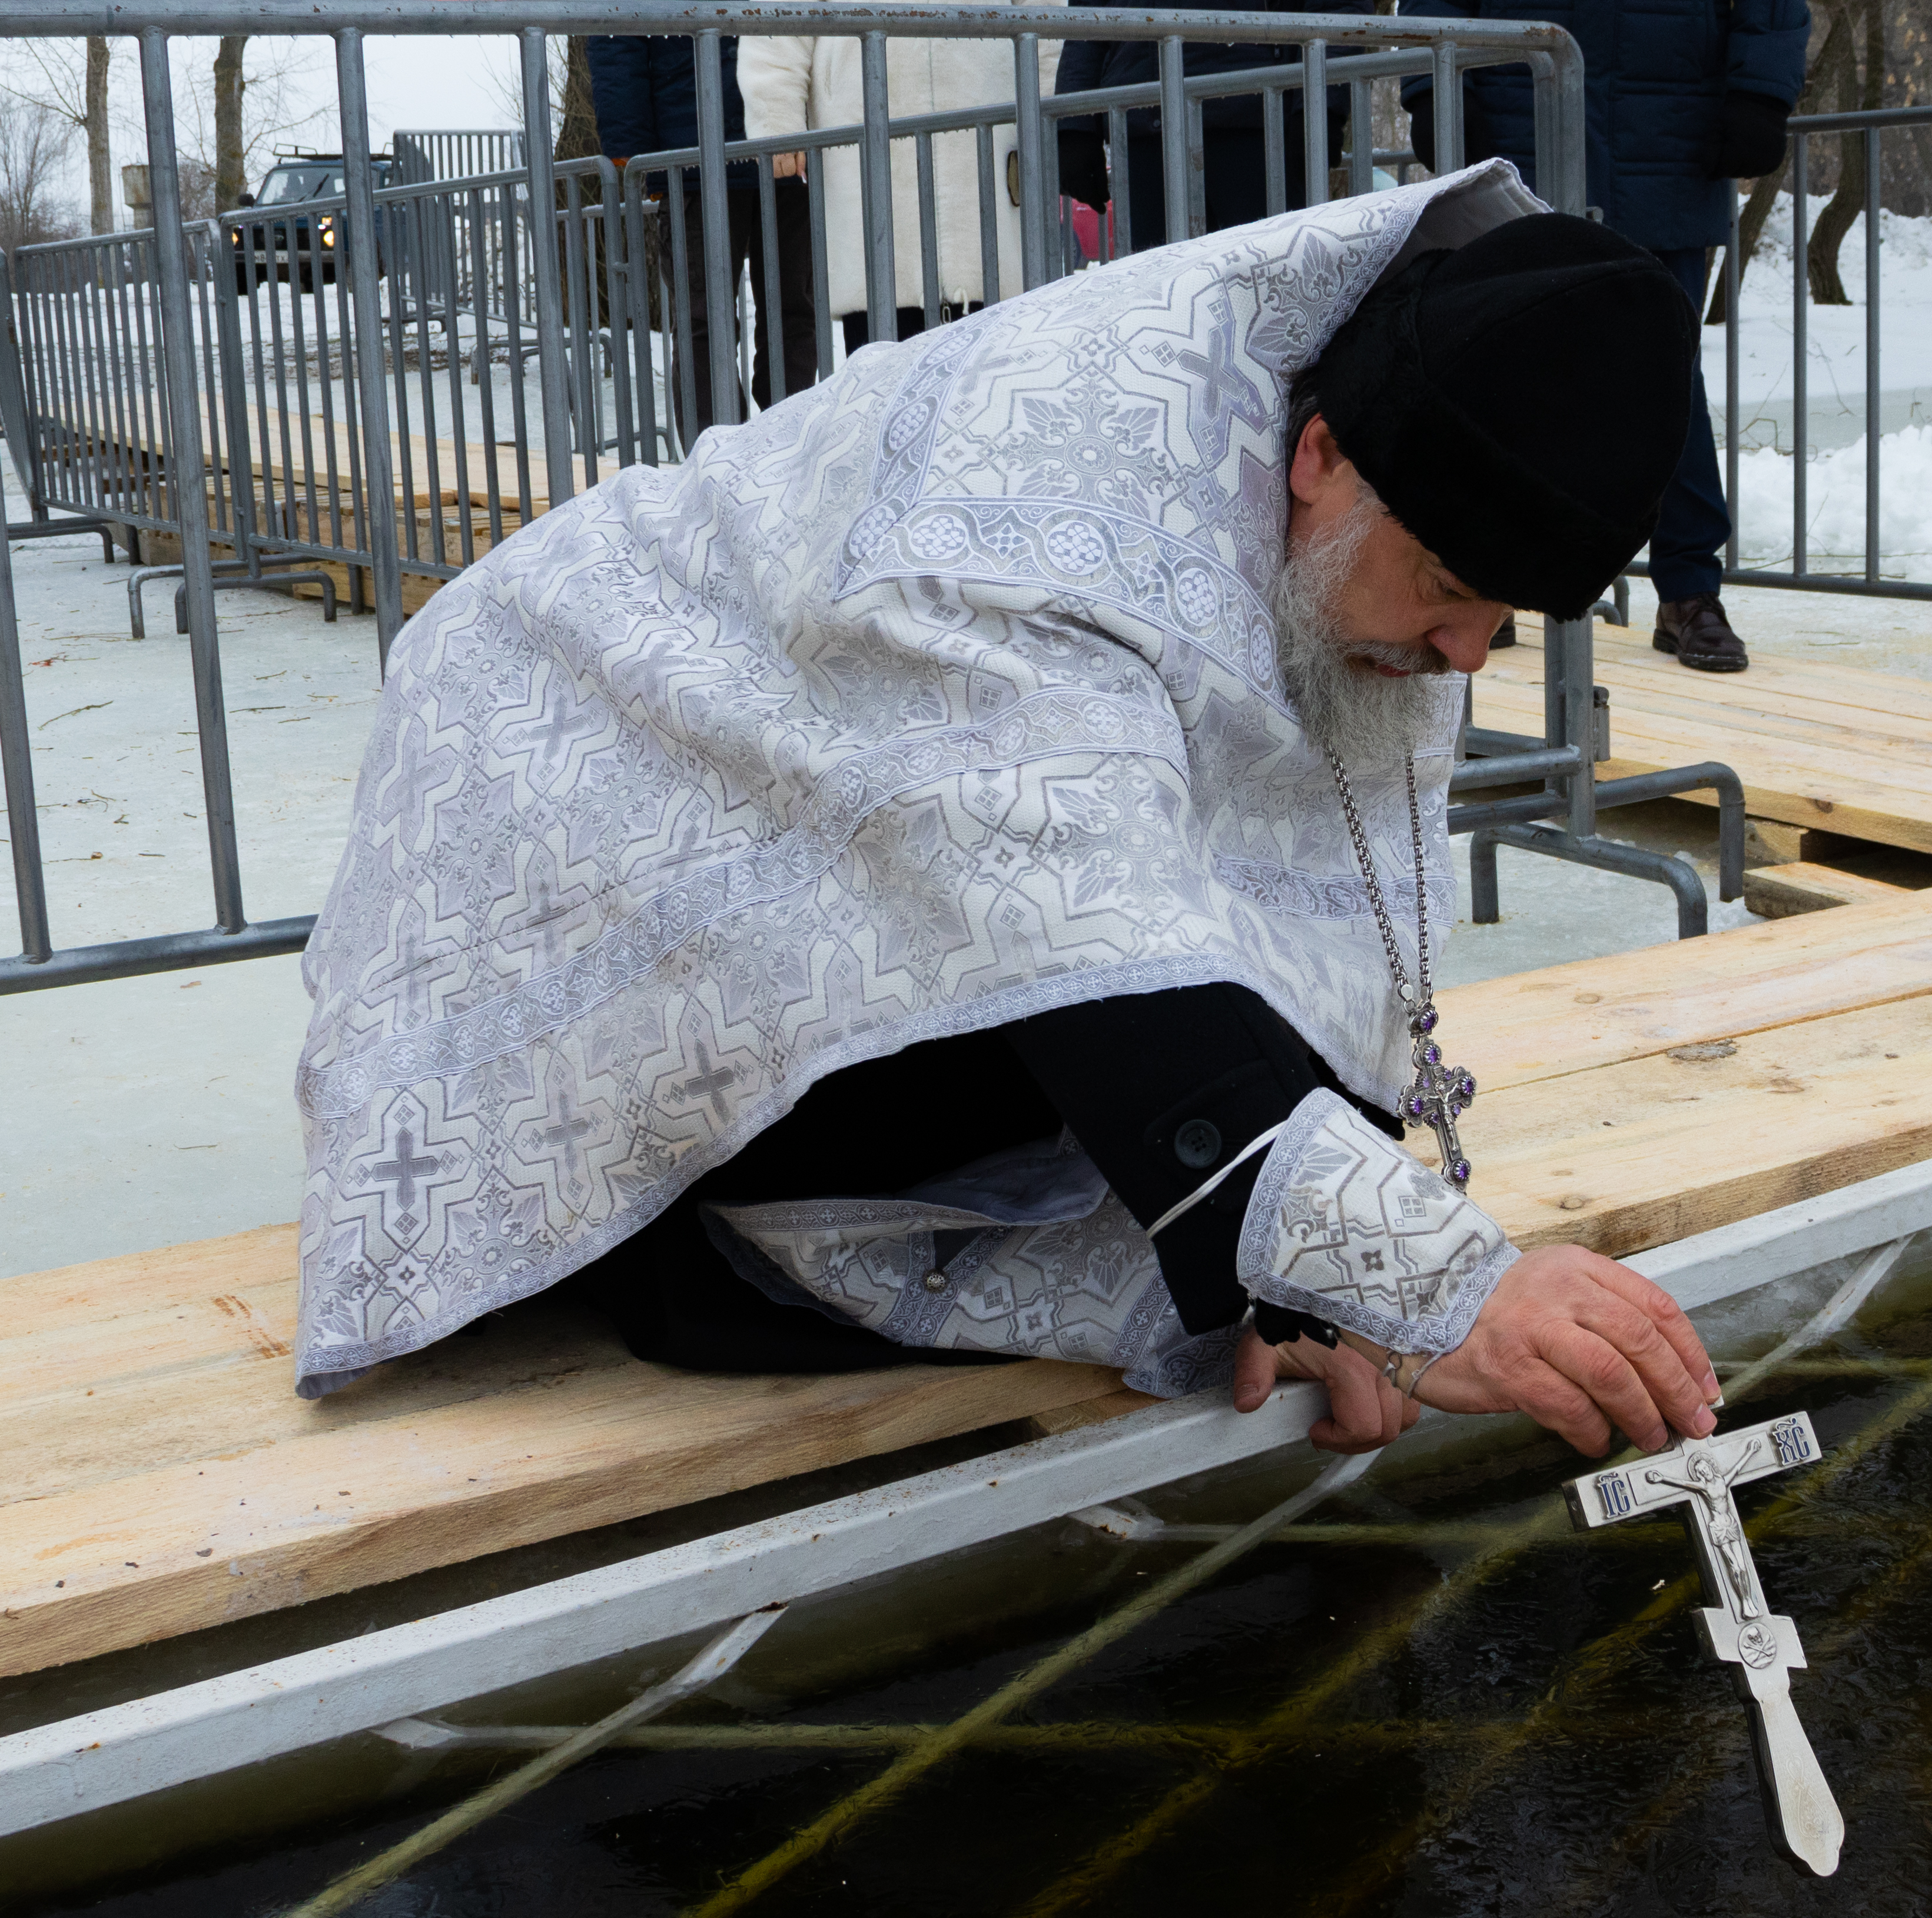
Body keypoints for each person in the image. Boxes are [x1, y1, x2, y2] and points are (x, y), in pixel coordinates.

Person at [291, 165, 1723, 1463]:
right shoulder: (1035, 510)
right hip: (595, 746)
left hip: (837, 754)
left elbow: (1279, 892)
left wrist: (1309, 1278)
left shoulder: (1359, 516)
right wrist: (1431, 1283)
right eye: (1450, 586)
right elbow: (1065, 920)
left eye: (1506, 617)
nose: (1467, 655)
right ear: (1322, 458)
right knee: (835, 1147)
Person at [1400, 0, 1807, 672]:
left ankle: (1689, 591)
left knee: (1665, 377)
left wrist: (1760, 91)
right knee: (1506, 369)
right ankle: (1486, 581)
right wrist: (1432, 86)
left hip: (1666, 132)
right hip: (1519, 109)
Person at [739, 8, 1063, 357]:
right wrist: (776, 119)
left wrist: (1044, 110)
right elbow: (777, 21)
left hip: (985, 110)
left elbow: (1044, 14)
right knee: (882, 359)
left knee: (991, 366)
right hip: (862, 119)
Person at [587, 33, 819, 437]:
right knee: (708, 318)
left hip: (780, 143)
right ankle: (717, 457)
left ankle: (788, 442)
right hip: (697, 152)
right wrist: (632, 150)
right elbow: (616, 33)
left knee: (785, 309)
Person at [1051, 0, 1350, 253]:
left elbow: (1336, 6)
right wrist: (1075, 124)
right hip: (1146, 126)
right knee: (1159, 300)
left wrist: (1321, 104)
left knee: (1270, 292)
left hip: (1259, 126)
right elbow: (1089, 14)